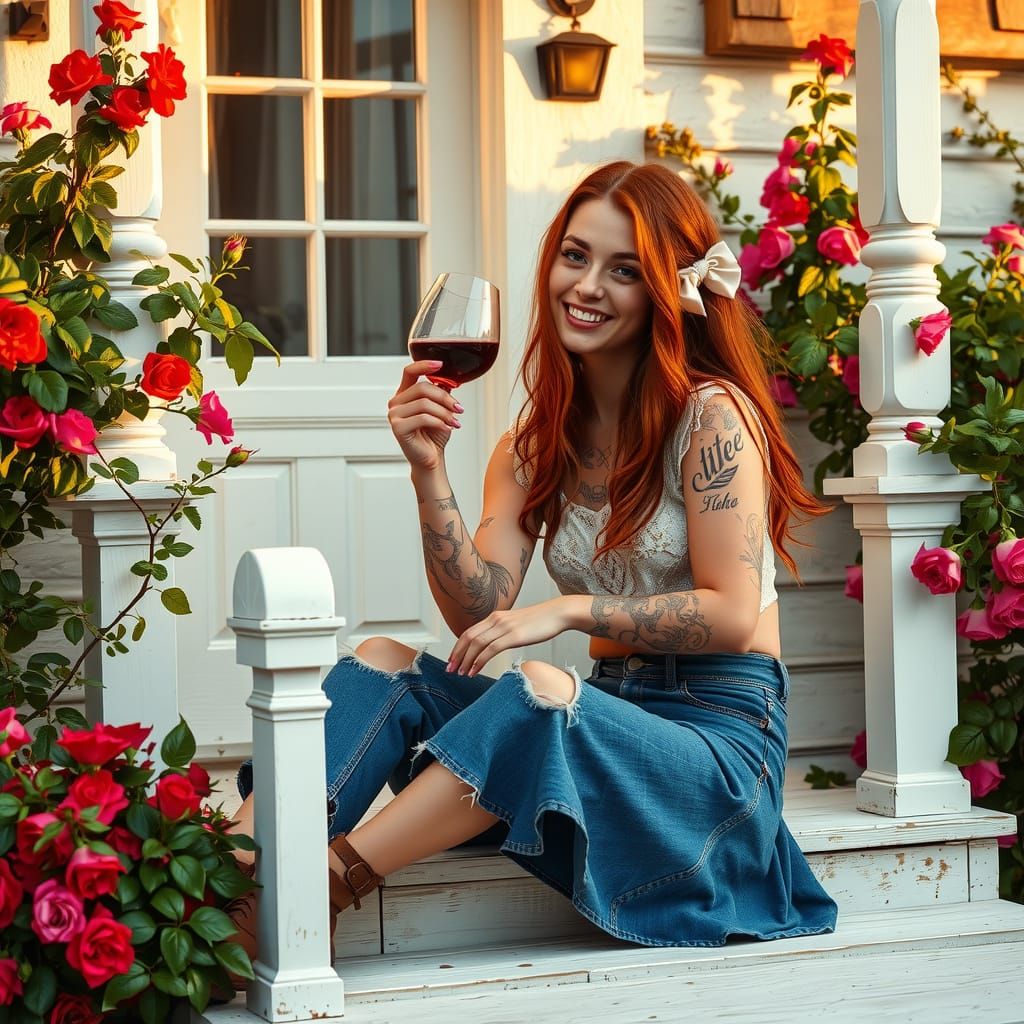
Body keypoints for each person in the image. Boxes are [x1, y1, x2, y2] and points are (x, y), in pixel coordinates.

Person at [227, 160, 839, 973]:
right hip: (604, 713)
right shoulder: (535, 440)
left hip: (714, 748)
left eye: (625, 270)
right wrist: (427, 470)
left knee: (539, 692)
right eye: (575, 255)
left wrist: (570, 612)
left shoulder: (712, 417)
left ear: (668, 289)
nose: (586, 285)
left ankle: (319, 887)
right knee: (383, 662)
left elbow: (731, 613)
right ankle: (227, 869)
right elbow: (478, 607)